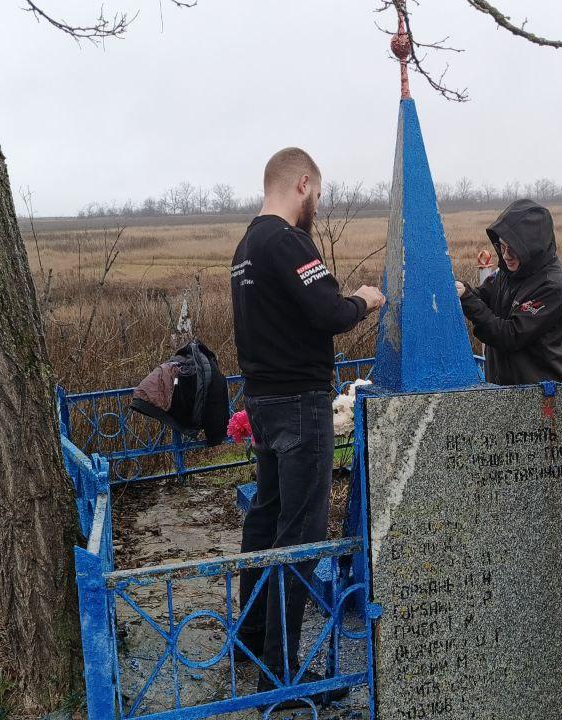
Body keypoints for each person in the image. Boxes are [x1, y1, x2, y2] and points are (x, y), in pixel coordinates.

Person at [230, 147, 385, 705]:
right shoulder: (287, 241)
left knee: (266, 523)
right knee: (299, 538)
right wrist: (363, 300)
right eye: (316, 194)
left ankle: (249, 644)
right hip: (299, 406)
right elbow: (328, 311)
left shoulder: (246, 246)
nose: (316, 204)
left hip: (265, 404)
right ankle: (282, 678)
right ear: (302, 184)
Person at [455, 199, 562, 385]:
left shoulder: (552, 286)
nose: (506, 255)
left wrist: (468, 299)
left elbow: (510, 335)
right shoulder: (508, 272)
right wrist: (461, 289)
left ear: (532, 247)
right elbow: (481, 297)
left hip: (541, 394)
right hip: (505, 389)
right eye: (502, 247)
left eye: (514, 249)